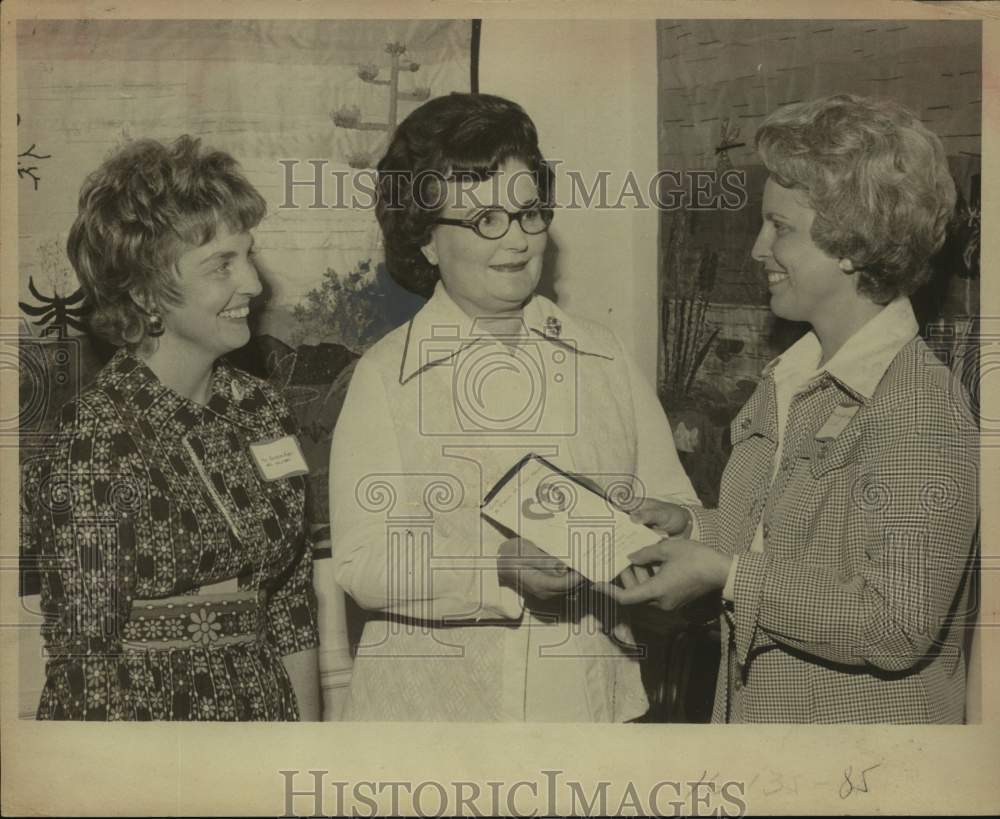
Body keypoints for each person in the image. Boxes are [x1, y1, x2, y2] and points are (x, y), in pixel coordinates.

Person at [607, 94, 979, 723]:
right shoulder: (791, 379)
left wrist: (725, 576)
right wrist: (689, 528)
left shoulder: (919, 411)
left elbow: (897, 623)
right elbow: (779, 541)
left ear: (850, 247)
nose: (756, 248)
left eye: (780, 227)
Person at [328, 92, 699, 721]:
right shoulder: (387, 374)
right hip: (437, 719)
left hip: (591, 703)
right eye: (484, 220)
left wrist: (674, 525)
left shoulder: (603, 356)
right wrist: (495, 570)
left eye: (529, 213)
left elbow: (683, 507)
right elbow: (363, 560)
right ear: (425, 241)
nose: (518, 240)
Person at [21, 135, 320, 720]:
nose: (254, 284)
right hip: (151, 730)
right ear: (144, 290)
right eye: (221, 265)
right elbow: (84, 659)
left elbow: (289, 604)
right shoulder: (97, 439)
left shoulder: (262, 409)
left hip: (266, 718)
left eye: (249, 254)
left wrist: (308, 752)